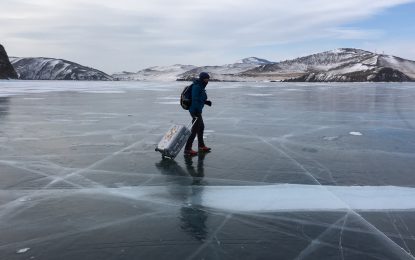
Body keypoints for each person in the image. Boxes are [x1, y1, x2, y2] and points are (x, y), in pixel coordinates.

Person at [184, 72, 212, 156]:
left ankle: (201, 146)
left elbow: (199, 98)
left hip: (197, 110)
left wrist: (206, 102)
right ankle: (187, 149)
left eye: (208, 79)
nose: (207, 81)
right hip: (195, 110)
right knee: (195, 129)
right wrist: (196, 111)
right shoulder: (197, 86)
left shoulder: (200, 86)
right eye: (206, 79)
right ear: (202, 79)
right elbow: (195, 99)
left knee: (201, 127)